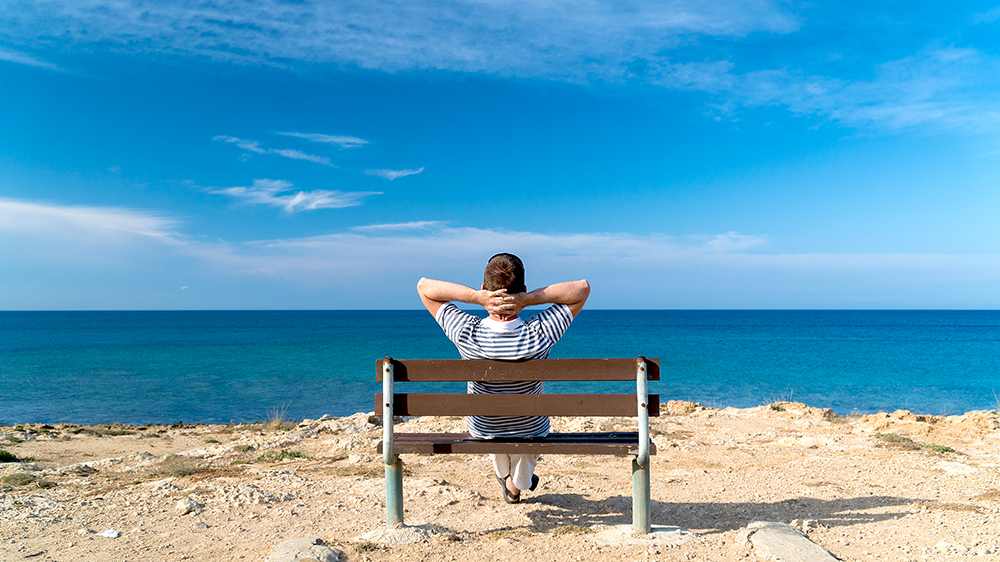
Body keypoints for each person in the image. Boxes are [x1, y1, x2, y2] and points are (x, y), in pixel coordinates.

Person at [416, 253, 590, 503]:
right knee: (528, 436)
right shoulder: (539, 333)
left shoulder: (467, 331)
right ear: (524, 290)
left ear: (484, 287)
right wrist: (527, 300)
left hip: (484, 426)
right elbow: (582, 289)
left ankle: (509, 480)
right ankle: (516, 485)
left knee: (493, 425)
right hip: (531, 427)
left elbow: (424, 287)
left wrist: (476, 298)